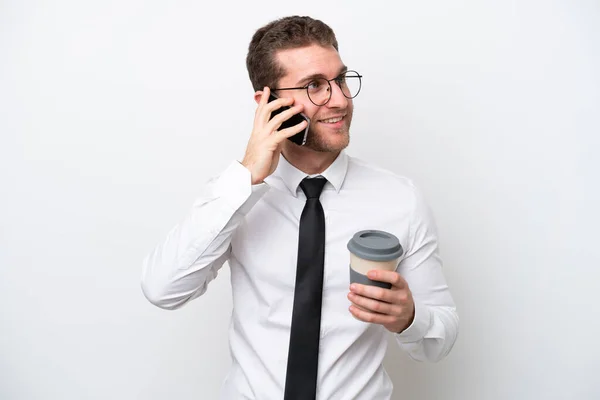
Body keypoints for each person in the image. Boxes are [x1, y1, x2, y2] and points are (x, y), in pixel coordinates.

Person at [141, 15, 459, 400]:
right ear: (268, 102)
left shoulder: (400, 199)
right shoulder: (233, 196)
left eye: (341, 80)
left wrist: (409, 318)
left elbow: (439, 340)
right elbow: (163, 290)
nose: (340, 99)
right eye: (314, 86)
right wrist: (247, 177)